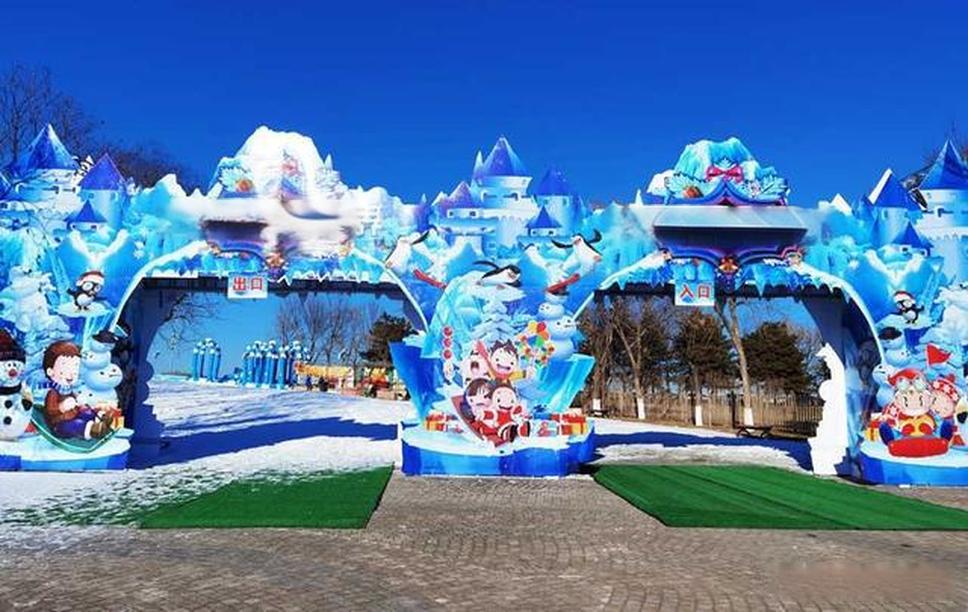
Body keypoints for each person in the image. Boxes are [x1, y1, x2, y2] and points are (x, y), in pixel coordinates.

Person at [43, 341, 111, 440]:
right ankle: (93, 430)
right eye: (65, 371)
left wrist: (79, 400)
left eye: (74, 371)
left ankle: (101, 419)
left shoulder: (68, 389)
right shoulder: (53, 392)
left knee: (87, 413)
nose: (70, 375)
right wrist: (62, 407)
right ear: (50, 371)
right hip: (59, 422)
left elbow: (75, 400)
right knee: (76, 424)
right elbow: (51, 411)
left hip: (73, 414)